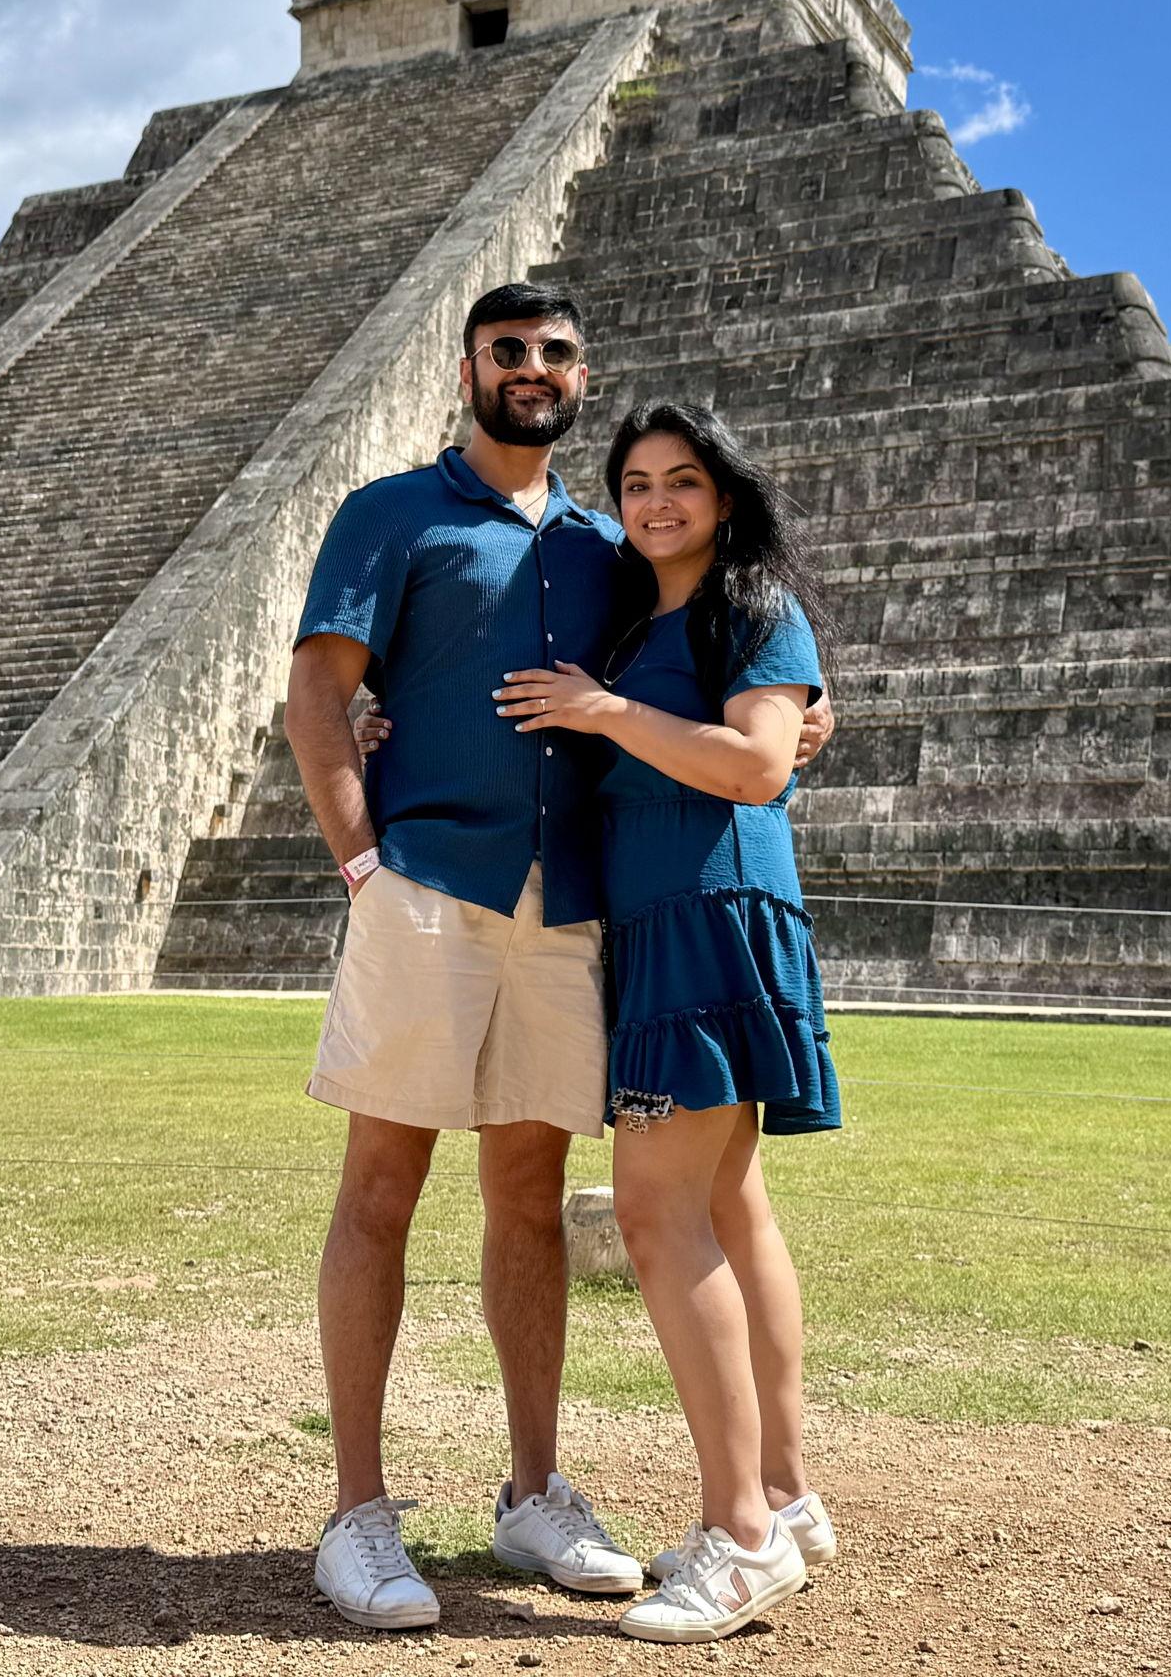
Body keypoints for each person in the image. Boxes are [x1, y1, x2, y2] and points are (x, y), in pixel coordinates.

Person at [285, 285, 832, 1631]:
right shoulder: (391, 513)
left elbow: (724, 665)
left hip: (574, 902)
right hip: (427, 881)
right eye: (507, 351)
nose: (532, 369)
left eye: (556, 353)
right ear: (468, 367)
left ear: (582, 375)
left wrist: (804, 715)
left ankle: (532, 1490)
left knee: (528, 1196)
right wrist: (359, 862)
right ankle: (357, 1511)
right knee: (380, 1187)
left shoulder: (610, 545)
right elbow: (319, 694)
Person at [487, 398, 841, 1645]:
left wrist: (606, 712)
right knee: (729, 1203)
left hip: (707, 915)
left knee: (653, 1212)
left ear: (724, 495)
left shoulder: (752, 608)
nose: (653, 502)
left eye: (680, 479)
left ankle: (740, 1535)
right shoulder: (640, 623)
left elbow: (756, 765)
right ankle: (784, 1497)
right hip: (656, 923)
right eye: (634, 482)